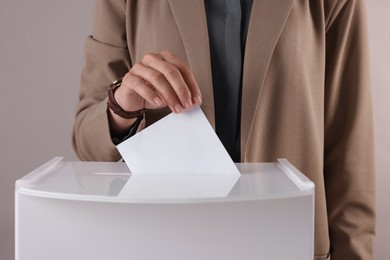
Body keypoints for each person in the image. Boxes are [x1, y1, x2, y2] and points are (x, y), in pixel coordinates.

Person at [72, 0, 375, 259]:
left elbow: (349, 148)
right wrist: (122, 106)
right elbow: (87, 143)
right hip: (164, 244)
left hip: (287, 244)